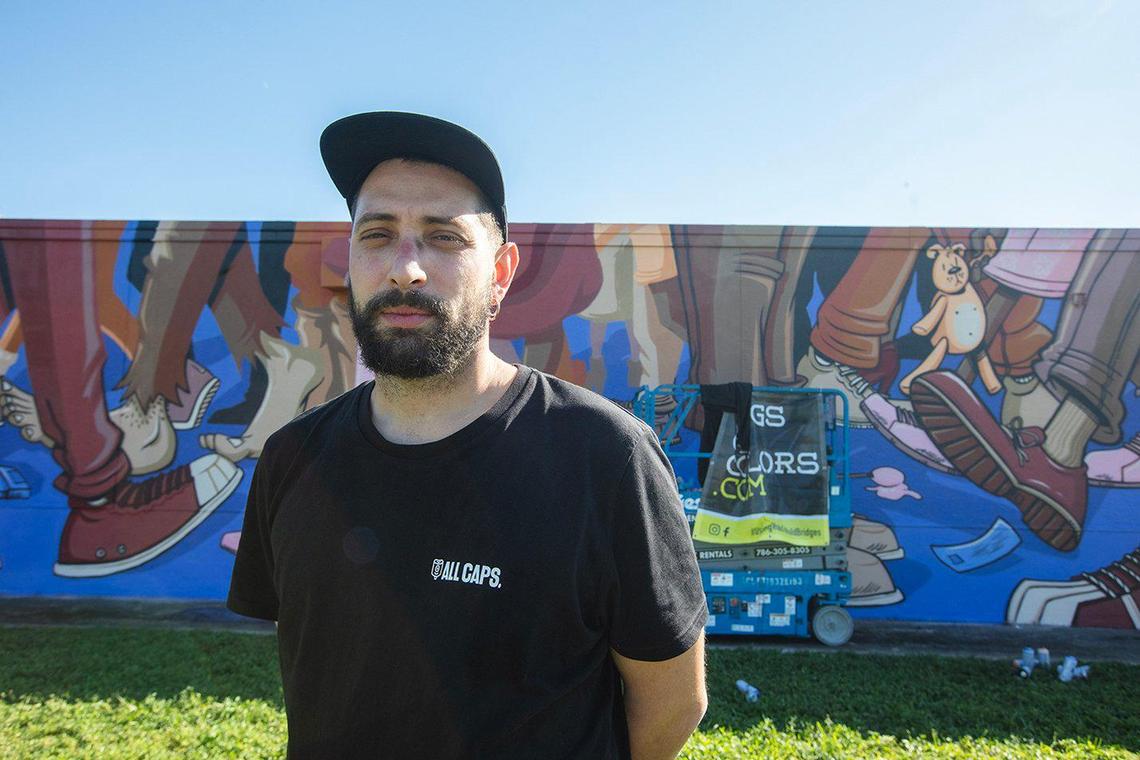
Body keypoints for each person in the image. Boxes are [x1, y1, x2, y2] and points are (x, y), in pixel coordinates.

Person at [226, 112, 708, 759]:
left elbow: (675, 701)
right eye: (377, 234)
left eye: (443, 238)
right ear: (350, 259)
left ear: (502, 272)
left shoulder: (605, 455)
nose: (406, 269)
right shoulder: (292, 458)